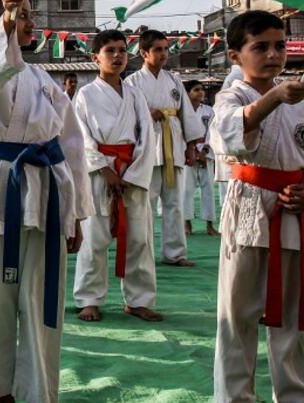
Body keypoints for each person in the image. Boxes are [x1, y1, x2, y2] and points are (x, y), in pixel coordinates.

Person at [0, 0, 91, 402]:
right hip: (3, 185)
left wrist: (78, 213)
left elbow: (71, 145)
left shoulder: (42, 78)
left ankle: (37, 390)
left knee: (41, 296)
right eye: (23, 14)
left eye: (32, 15)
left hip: (48, 190)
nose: (31, 22)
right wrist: (5, 30)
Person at [211, 11, 304, 402]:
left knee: (292, 316)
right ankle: (234, 397)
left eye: (280, 45)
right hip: (251, 211)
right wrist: (273, 97)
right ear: (236, 56)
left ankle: (296, 395)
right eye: (261, 47)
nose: (273, 54)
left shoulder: (300, 103)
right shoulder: (232, 95)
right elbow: (230, 136)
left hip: (293, 213)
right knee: (237, 317)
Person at [72, 30, 161, 323]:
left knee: (139, 238)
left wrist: (133, 173)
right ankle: (89, 298)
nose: (118, 56)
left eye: (122, 50)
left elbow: (147, 138)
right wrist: (103, 168)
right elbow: (80, 137)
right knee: (95, 239)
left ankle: (139, 300)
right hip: (100, 175)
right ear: (95, 57)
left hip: (132, 172)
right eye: (110, 50)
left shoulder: (135, 94)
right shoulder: (84, 94)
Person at [124, 30, 205, 267]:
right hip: (146, 149)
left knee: (175, 204)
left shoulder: (174, 80)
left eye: (165, 49)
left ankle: (175, 253)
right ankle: (142, 251)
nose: (163, 54)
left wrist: (191, 148)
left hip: (174, 144)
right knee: (144, 205)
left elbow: (186, 115)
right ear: (143, 53)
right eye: (157, 49)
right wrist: (148, 115)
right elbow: (127, 117)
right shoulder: (132, 82)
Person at [183, 80, 219, 236]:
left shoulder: (209, 111)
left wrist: (204, 151)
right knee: (186, 190)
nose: (201, 92)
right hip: (186, 154)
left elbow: (214, 132)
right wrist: (191, 152)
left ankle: (210, 225)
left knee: (209, 190)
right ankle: (187, 224)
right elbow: (179, 133)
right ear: (187, 93)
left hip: (206, 154)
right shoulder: (182, 111)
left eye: (202, 89)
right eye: (196, 89)